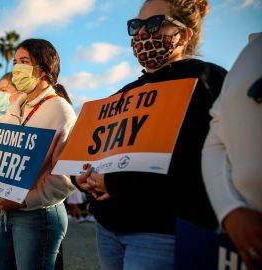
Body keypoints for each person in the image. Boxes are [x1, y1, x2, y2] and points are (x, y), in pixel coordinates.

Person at [75, 0, 227, 269]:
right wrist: (83, 178)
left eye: (155, 23)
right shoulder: (123, 93)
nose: (143, 32)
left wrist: (116, 184)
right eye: (136, 25)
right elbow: (98, 155)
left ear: (184, 35)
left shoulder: (206, 79)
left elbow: (201, 162)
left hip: (161, 230)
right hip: (108, 227)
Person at [0, 38, 77, 270]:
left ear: (43, 69)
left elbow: (66, 177)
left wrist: (24, 201)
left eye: (24, 61)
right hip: (1, 212)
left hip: (37, 215)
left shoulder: (60, 110)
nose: (16, 68)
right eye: (14, 62)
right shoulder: (13, 110)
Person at [202, 34, 262, 270]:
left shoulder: (211, 74)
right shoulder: (250, 55)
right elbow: (216, 139)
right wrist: (230, 210)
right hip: (241, 232)